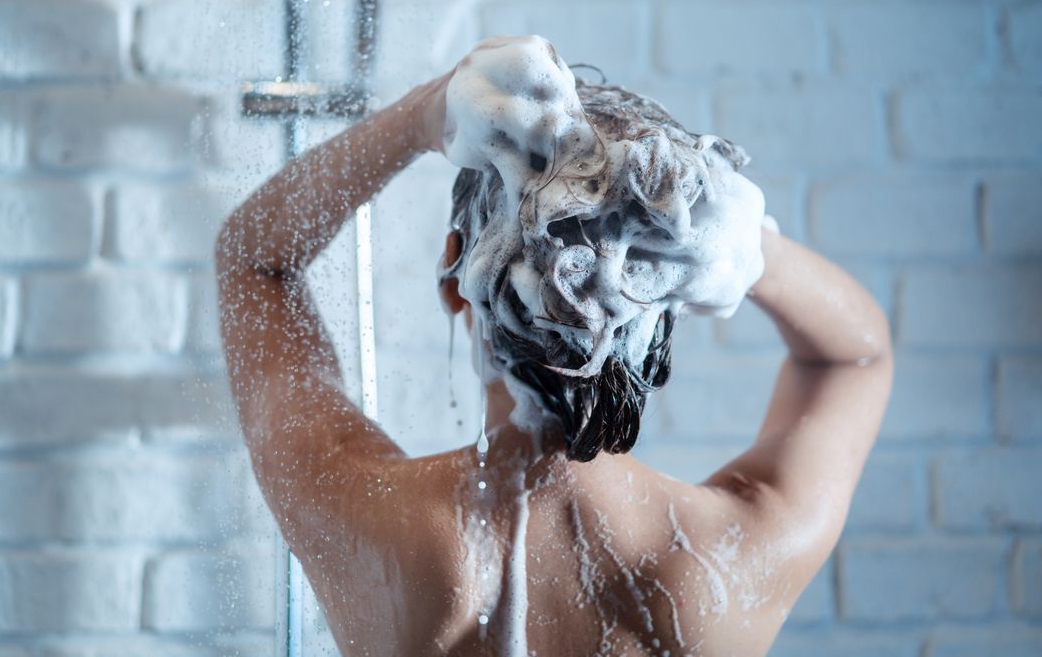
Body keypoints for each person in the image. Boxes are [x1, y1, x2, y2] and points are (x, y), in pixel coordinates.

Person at [215, 43, 893, 657]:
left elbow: (251, 261)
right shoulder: (733, 557)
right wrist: (719, 235)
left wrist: (426, 115)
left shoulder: (373, 524)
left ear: (458, 278)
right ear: (666, 296)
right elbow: (855, 356)